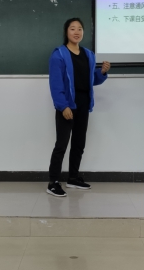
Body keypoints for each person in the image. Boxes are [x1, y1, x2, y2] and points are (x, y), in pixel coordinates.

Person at [47, 18, 111, 197]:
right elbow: (56, 84)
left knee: (79, 143)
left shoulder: (89, 55)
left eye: (80, 29)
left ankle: (73, 178)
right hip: (68, 104)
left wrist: (102, 72)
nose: (77, 32)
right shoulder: (59, 54)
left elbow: (90, 80)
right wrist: (63, 106)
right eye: (73, 28)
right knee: (62, 144)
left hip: (84, 103)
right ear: (66, 32)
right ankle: (53, 182)